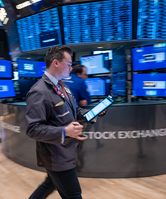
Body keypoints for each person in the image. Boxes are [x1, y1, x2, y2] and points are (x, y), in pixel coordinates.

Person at [25, 45, 106, 199]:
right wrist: (64, 131)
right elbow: (33, 129)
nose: (71, 68)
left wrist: (93, 112)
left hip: (66, 153)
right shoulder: (39, 92)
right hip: (56, 156)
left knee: (48, 185)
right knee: (74, 195)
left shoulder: (64, 87)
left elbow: (75, 112)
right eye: (68, 64)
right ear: (56, 63)